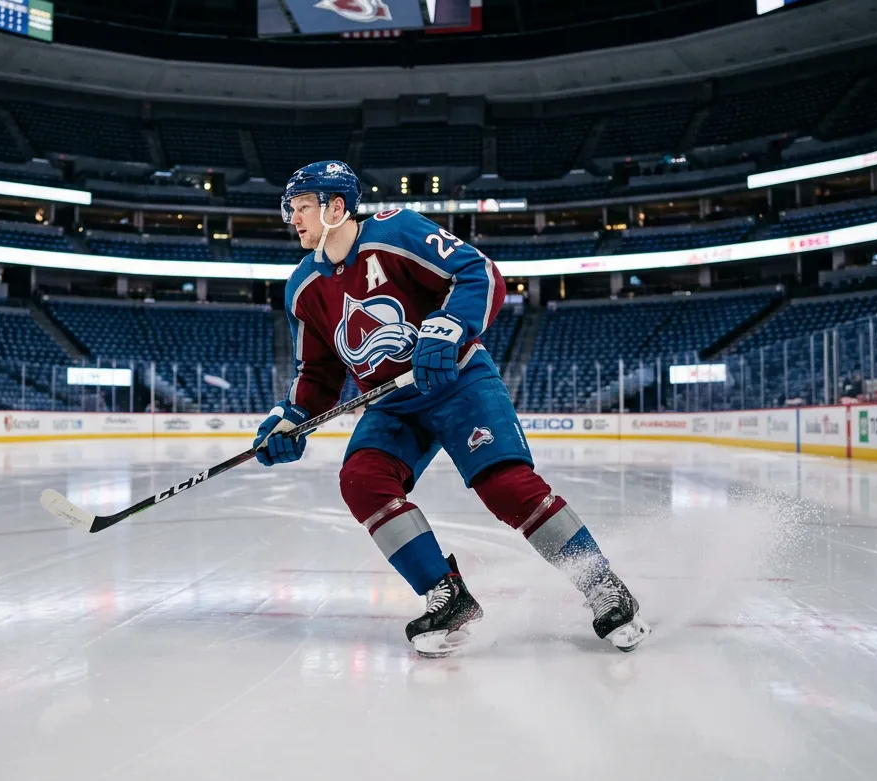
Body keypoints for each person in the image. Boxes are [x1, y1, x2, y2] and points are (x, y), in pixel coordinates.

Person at [252, 161, 649, 657]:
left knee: (504, 485)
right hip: (391, 403)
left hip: (458, 380)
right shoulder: (302, 287)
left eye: (302, 206)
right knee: (361, 480)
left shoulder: (396, 230)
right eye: (291, 208)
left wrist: (449, 325)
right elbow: (318, 373)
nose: (293, 217)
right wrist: (290, 418)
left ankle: (602, 585)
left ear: (337, 206)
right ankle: (449, 595)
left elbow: (477, 272)